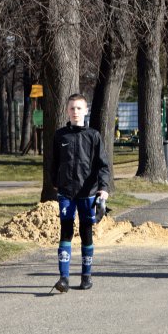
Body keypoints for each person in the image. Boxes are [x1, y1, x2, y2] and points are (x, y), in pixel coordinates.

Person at [49, 93, 111, 292]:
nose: (75, 112)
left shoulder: (93, 135)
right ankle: (64, 279)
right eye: (71, 108)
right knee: (65, 231)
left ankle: (86, 275)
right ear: (67, 111)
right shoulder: (60, 135)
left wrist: (103, 188)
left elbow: (103, 165)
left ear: (85, 111)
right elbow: (54, 163)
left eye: (78, 108)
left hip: (88, 192)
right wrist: (55, 183)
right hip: (66, 193)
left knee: (86, 233)